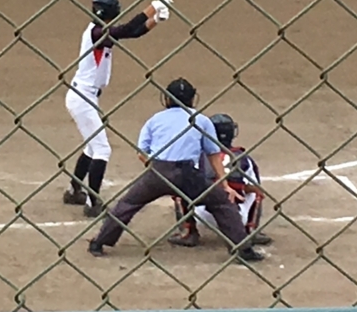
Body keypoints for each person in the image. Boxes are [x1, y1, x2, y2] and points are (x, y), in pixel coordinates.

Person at [87, 78, 266, 263]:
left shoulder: (155, 119)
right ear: (192, 98)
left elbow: (141, 151)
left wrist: (156, 167)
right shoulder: (201, 120)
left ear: (167, 99)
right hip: (188, 175)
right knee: (221, 203)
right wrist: (224, 184)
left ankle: (99, 243)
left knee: (127, 204)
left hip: (158, 171)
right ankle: (242, 249)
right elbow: (213, 154)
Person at [64, 0, 171, 218]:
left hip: (86, 97)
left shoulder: (100, 31)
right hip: (82, 97)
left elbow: (132, 32)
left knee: (92, 147)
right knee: (102, 149)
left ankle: (74, 191)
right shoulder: (95, 32)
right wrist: (151, 7)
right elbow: (125, 30)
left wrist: (156, 20)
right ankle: (93, 203)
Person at [168, 113, 272, 248]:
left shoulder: (195, 156)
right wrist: (236, 187)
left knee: (179, 190)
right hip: (236, 216)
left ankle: (188, 232)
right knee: (256, 193)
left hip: (202, 213)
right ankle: (250, 230)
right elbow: (256, 188)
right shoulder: (243, 158)